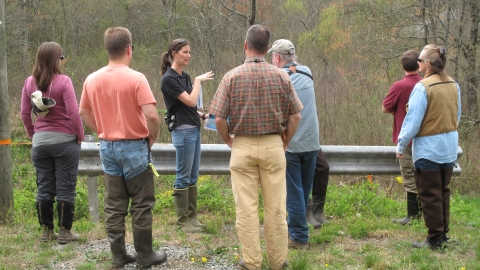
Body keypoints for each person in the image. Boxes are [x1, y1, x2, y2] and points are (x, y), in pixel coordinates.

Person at [209, 25, 303, 270]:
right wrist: (285, 142)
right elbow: (295, 117)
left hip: (242, 145)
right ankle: (278, 261)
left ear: (246, 45)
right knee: (276, 209)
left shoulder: (231, 76)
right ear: (267, 49)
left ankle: (251, 262)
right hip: (273, 144)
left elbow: (218, 118)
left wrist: (228, 140)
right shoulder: (282, 76)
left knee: (246, 210)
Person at [79, 27, 166, 268]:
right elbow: (152, 116)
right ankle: (145, 255)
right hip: (134, 146)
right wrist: (151, 138)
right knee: (140, 202)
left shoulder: (92, 79)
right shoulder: (136, 78)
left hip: (107, 147)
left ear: (108, 49)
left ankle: (118, 255)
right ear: (129, 49)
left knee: (114, 205)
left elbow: (83, 111)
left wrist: (102, 130)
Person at [396, 44, 461, 250]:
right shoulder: (453, 84)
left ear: (428, 64)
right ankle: (442, 234)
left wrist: (401, 144)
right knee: (443, 190)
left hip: (429, 149)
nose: (419, 64)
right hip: (449, 146)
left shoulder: (423, 87)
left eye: (421, 61)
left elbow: (413, 121)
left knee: (429, 193)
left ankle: (434, 238)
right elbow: (456, 116)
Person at [20, 42, 84, 245]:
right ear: (56, 59)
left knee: (44, 187)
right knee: (65, 187)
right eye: (61, 57)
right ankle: (65, 232)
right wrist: (79, 135)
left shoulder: (29, 82)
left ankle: (46, 232)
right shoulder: (64, 81)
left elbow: (24, 113)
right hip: (64, 140)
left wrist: (33, 135)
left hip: (40, 142)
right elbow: (74, 112)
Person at [160, 39, 214, 234]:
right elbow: (191, 101)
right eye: (185, 52)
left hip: (193, 127)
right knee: (183, 176)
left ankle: (192, 218)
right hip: (183, 132)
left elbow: (188, 106)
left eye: (190, 52)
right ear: (174, 53)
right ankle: (183, 221)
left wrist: (203, 115)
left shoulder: (185, 76)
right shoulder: (169, 79)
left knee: (192, 176)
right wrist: (198, 81)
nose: (189, 55)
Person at [269, 39, 319, 249]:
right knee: (303, 190)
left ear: (278, 57)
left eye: (273, 56)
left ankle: (298, 236)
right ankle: (295, 227)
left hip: (292, 143)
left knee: (294, 191)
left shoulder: (279, 76)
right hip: (312, 141)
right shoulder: (306, 71)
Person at [383, 50, 423, 225]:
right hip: (426, 139)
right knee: (425, 176)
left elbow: (385, 108)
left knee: (409, 176)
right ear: (419, 65)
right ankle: (426, 213)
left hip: (406, 140)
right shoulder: (425, 84)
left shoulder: (399, 86)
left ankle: (413, 216)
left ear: (403, 66)